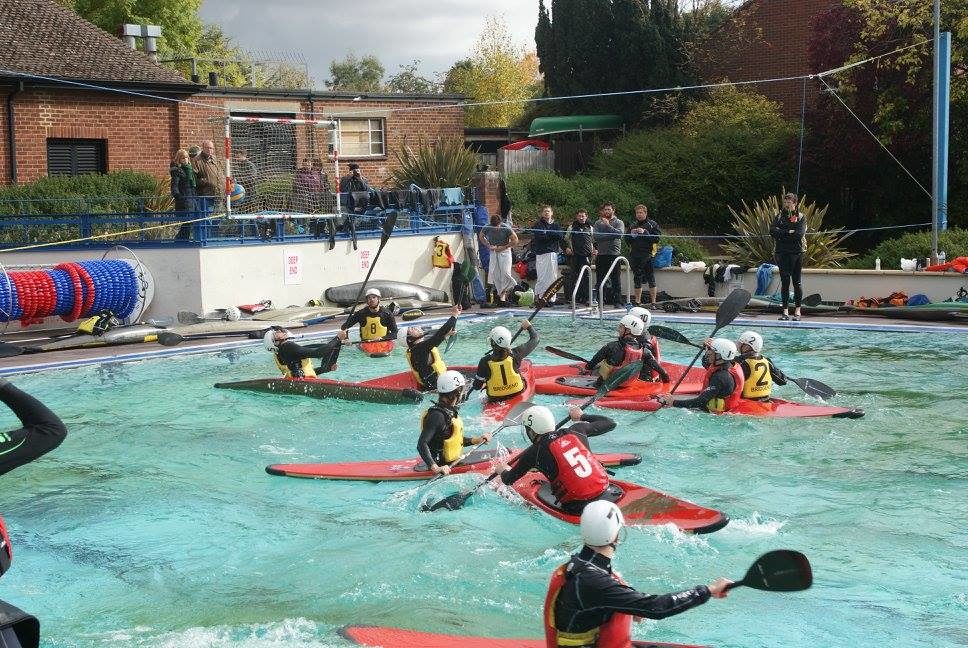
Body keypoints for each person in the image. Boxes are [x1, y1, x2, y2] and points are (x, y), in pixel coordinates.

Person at [544, 500, 731, 647]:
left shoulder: (579, 565)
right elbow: (657, 608)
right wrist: (708, 590)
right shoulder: (593, 581)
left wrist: (629, 606)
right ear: (616, 537)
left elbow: (597, 597)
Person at [495, 405, 616, 514]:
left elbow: (509, 480)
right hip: (605, 491)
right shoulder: (576, 430)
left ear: (531, 431)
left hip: (577, 507)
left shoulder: (534, 452)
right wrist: (582, 416)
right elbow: (610, 423)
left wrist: (502, 470)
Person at [416, 371, 492, 475]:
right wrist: (436, 468)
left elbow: (452, 439)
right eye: (462, 390)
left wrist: (477, 440)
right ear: (457, 392)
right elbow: (421, 444)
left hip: (451, 462)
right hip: (440, 465)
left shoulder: (448, 412)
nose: (463, 393)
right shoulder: (437, 416)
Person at [656, 338, 744, 413]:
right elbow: (705, 362)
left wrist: (673, 402)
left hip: (716, 415)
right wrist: (708, 346)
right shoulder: (725, 364)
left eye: (711, 351)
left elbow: (700, 402)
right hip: (714, 407)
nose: (708, 353)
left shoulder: (721, 377)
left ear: (720, 355)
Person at [586, 314, 668, 384]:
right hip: (629, 384)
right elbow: (663, 373)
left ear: (628, 330)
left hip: (606, 384)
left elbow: (592, 364)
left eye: (621, 327)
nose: (618, 329)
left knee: (599, 367)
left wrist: (587, 368)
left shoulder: (611, 346)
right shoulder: (644, 351)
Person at [471, 320, 538, 401]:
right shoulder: (516, 354)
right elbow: (535, 339)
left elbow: (476, 386)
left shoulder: (484, 361)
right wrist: (529, 327)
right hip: (517, 392)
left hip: (495, 398)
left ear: (492, 343)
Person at [406, 305, 461, 391]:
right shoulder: (419, 348)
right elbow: (440, 333)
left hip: (434, 385)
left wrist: (446, 334)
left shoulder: (418, 348)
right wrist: (454, 315)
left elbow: (438, 336)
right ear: (409, 338)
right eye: (412, 329)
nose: (416, 327)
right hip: (436, 387)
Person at [770, 192, 807, 321]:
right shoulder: (779, 216)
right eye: (785, 202)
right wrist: (787, 232)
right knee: (785, 282)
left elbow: (798, 234)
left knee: (797, 282)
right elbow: (772, 231)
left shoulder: (800, 217)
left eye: (789, 203)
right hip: (782, 253)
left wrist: (782, 234)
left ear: (795, 203)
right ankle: (785, 311)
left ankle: (797, 310)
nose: (786, 205)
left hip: (796, 253)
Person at [263, 328, 346, 378]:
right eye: (275, 333)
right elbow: (319, 353)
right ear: (275, 342)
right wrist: (338, 338)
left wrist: (324, 369)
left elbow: (298, 372)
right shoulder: (288, 346)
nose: (279, 331)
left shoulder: (280, 352)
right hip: (304, 382)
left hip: (297, 382)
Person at [479, 214, 519, 305]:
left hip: (504, 250)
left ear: (500, 223)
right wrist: (488, 245)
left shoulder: (506, 228)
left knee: (505, 272)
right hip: (494, 251)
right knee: (495, 274)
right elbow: (481, 236)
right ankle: (501, 297)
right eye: (494, 227)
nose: (496, 228)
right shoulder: (487, 227)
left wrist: (504, 247)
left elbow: (515, 240)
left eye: (497, 226)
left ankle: (514, 285)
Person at [736, 330, 787, 400]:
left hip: (747, 403)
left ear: (747, 347)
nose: (739, 346)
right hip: (766, 400)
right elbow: (783, 381)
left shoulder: (741, 364)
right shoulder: (767, 361)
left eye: (742, 344)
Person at [593, 203, 625, 309]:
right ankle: (600, 300)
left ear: (613, 210)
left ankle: (618, 301)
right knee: (600, 279)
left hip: (614, 254)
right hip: (602, 254)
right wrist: (611, 235)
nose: (607, 211)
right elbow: (596, 237)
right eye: (605, 209)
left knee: (616, 279)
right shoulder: (598, 223)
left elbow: (619, 234)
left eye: (609, 209)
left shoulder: (619, 222)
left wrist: (608, 226)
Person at [627, 204, 661, 306]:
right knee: (637, 278)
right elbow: (627, 240)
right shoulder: (633, 225)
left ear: (645, 213)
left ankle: (653, 302)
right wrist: (631, 235)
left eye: (641, 212)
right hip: (635, 254)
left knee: (650, 277)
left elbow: (657, 239)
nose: (639, 215)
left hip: (647, 254)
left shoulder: (652, 224)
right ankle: (637, 301)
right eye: (637, 213)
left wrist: (645, 232)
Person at [531, 206, 565, 305]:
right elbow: (540, 237)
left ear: (552, 213)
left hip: (553, 253)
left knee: (552, 276)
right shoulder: (538, 224)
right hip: (542, 253)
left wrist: (548, 233)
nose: (546, 213)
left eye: (548, 211)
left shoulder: (556, 225)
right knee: (542, 276)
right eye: (545, 211)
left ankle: (551, 298)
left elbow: (560, 236)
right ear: (542, 213)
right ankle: (541, 297)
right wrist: (552, 234)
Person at [565, 209, 594, 305]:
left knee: (586, 277)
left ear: (586, 216)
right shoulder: (571, 227)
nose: (581, 218)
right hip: (575, 256)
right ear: (577, 217)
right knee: (573, 277)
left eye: (583, 216)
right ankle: (573, 299)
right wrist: (567, 248)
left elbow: (595, 241)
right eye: (579, 216)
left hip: (586, 256)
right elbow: (564, 239)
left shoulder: (590, 227)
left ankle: (586, 298)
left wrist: (596, 249)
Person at [169, 148, 196, 240]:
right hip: (184, 199)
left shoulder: (190, 170)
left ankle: (182, 238)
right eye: (183, 158)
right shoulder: (177, 171)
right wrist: (178, 196)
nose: (185, 160)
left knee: (191, 221)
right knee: (187, 222)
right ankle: (181, 239)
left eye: (186, 158)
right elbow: (174, 185)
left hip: (192, 198)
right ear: (179, 159)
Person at [192, 140, 223, 213]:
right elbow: (193, 179)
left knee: (218, 218)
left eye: (211, 148)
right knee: (206, 219)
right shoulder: (196, 160)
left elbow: (221, 173)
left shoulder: (216, 160)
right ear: (203, 148)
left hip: (218, 194)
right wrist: (204, 181)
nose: (209, 150)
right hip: (205, 195)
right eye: (207, 148)